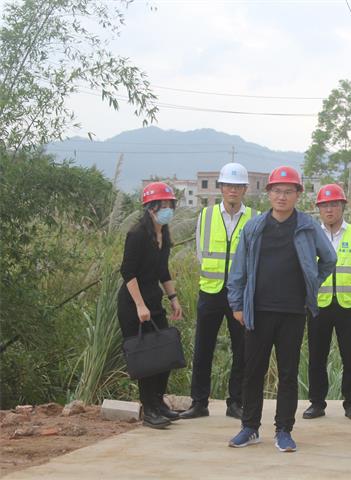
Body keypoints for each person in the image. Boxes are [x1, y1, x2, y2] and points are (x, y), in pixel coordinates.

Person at [226, 166, 336, 452]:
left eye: (288, 191)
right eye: (277, 191)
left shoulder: (307, 226)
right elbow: (238, 270)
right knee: (253, 371)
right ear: (269, 194)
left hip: (293, 311)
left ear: (298, 194)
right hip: (258, 311)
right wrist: (237, 304)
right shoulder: (254, 227)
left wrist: (311, 283)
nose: (282, 196)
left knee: (288, 373)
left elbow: (329, 259)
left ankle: (284, 430)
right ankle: (249, 427)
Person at [180, 163, 259, 420]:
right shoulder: (206, 216)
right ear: (221, 188)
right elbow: (201, 253)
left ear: (245, 189)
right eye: (228, 186)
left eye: (237, 186)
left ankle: (236, 402)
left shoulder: (255, 218)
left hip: (241, 295)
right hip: (211, 292)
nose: (232, 190)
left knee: (242, 350)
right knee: (203, 348)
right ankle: (199, 402)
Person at [117, 182, 183, 429]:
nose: (166, 210)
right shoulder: (137, 234)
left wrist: (173, 298)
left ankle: (159, 402)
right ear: (149, 207)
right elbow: (128, 272)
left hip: (154, 300)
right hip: (133, 303)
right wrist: (140, 306)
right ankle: (149, 410)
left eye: (169, 205)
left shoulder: (163, 234)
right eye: (161, 205)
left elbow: (163, 270)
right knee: (146, 358)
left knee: (163, 353)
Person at [302, 184, 351, 422]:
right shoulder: (310, 236)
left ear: (343, 207)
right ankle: (317, 403)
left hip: (349, 305)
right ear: (318, 209)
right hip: (318, 304)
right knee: (317, 356)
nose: (329, 210)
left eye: (334, 205)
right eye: (324, 205)